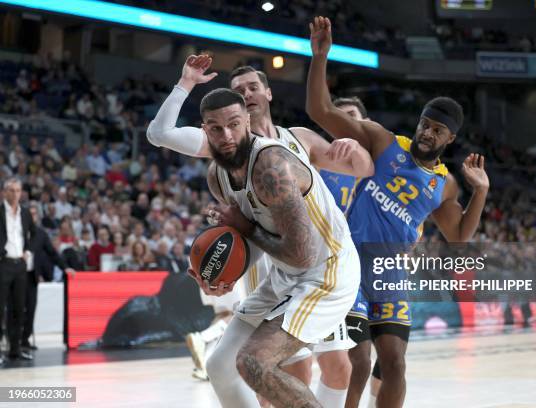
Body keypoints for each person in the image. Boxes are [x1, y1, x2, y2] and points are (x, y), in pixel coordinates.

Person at [147, 54, 373, 407]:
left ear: (248, 121)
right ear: (204, 131)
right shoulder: (218, 176)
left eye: (234, 125)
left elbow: (301, 254)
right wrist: (222, 276)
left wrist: (244, 228)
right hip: (287, 273)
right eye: (216, 129)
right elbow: (256, 240)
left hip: (327, 271)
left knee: (257, 362)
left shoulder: (271, 166)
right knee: (220, 364)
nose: (226, 136)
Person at [307, 16, 490, 407]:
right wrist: (320, 57)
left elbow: (459, 238)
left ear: (449, 138)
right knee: (357, 363)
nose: (427, 133)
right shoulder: (382, 141)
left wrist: (481, 192)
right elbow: (320, 110)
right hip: (351, 266)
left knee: (395, 365)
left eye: (437, 130)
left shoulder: (446, 185)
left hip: (390, 275)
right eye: (425, 124)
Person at [22, 204, 75, 350]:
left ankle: (24, 340)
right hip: (15, 275)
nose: (32, 217)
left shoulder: (41, 234)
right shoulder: (16, 232)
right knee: (17, 309)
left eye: (34, 214)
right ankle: (14, 341)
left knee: (31, 309)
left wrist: (65, 268)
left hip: (32, 276)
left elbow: (52, 253)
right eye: (29, 214)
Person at [0, 178, 36, 362]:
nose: (15, 194)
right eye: (11, 190)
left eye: (17, 190)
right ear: (4, 192)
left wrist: (28, 250)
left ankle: (15, 349)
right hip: (3, 264)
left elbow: (35, 234)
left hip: (20, 266)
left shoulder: (25, 213)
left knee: (18, 309)